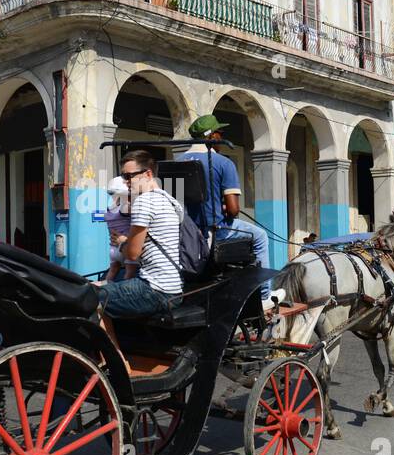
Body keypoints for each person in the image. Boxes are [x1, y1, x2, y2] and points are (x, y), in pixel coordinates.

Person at [176, 114, 272, 297]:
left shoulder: (178, 161)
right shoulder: (223, 163)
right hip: (217, 231)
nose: (222, 137)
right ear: (212, 136)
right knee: (260, 236)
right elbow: (234, 210)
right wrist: (226, 209)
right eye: (220, 133)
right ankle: (265, 295)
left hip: (186, 232)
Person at [97, 150, 181, 326]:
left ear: (148, 174)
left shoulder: (144, 201)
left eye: (129, 176)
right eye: (123, 176)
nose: (125, 182)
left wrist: (121, 242)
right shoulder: (170, 200)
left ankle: (109, 352)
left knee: (89, 298)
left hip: (155, 289)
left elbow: (133, 254)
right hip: (174, 289)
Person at [100, 175, 138, 284]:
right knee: (129, 274)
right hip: (124, 246)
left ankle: (103, 289)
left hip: (112, 248)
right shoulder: (126, 207)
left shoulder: (110, 208)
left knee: (112, 271)